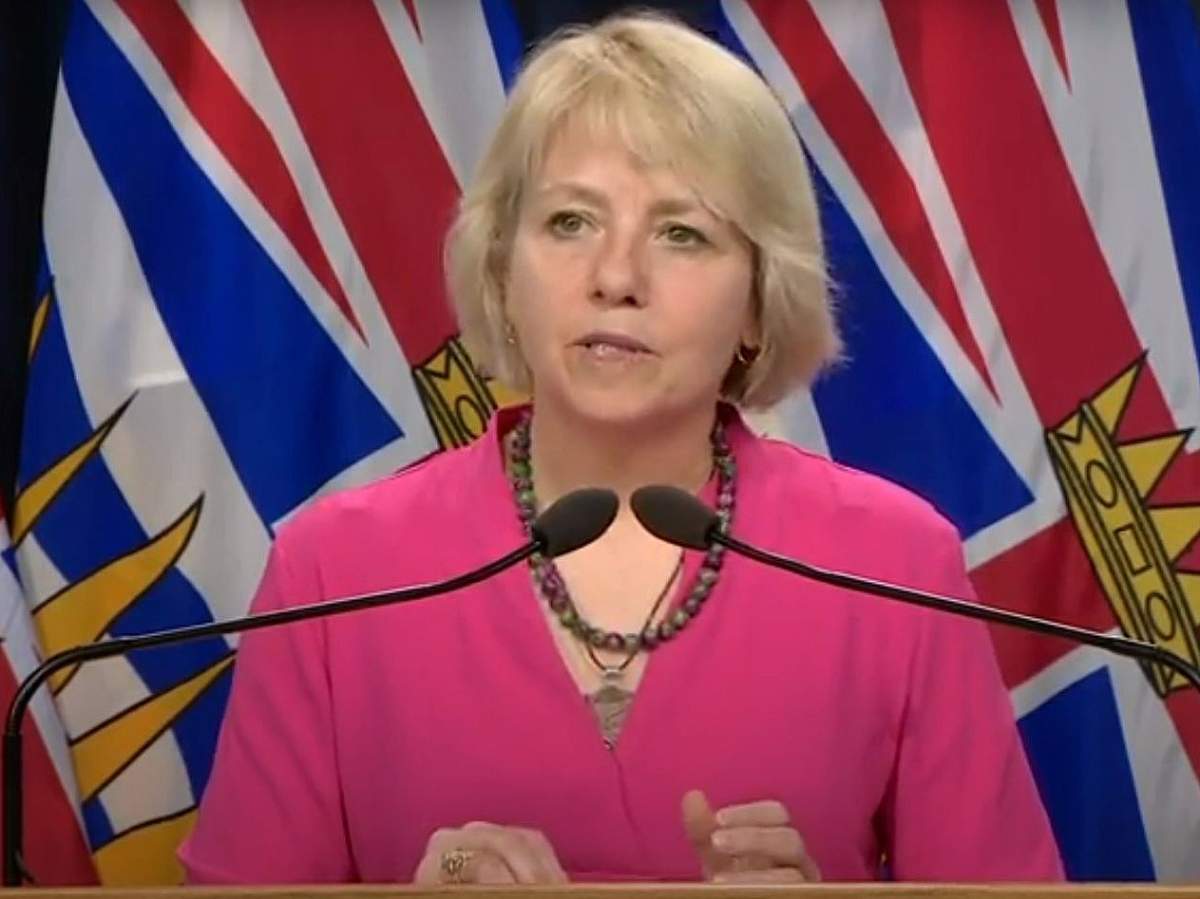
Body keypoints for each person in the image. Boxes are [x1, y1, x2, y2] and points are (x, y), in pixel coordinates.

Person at [180, 13, 1063, 885]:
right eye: (570, 222)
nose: (617, 277)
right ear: (502, 270)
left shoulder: (894, 564)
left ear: (759, 301)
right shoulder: (336, 572)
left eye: (682, 233)